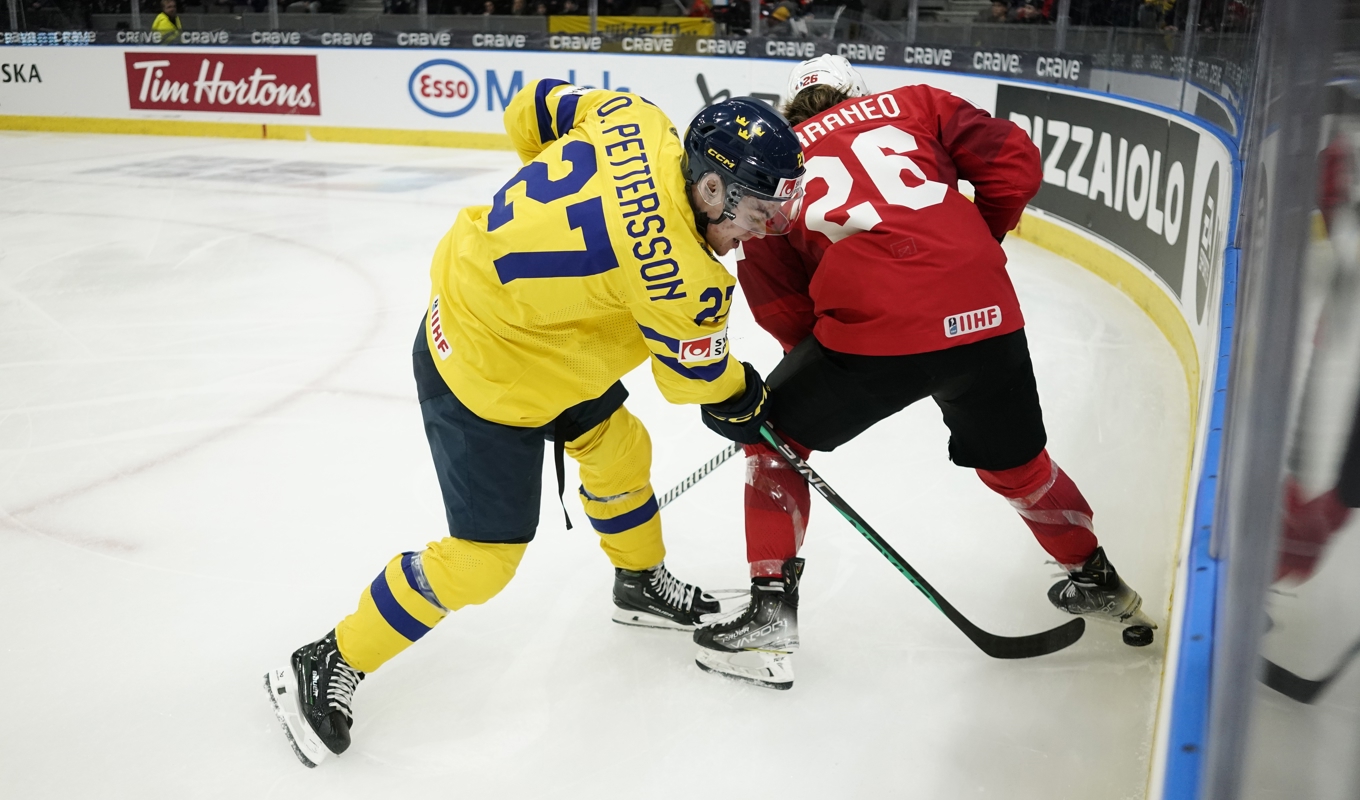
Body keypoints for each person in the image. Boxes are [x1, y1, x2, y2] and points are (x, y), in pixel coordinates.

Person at [264, 80, 804, 765]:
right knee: (484, 562)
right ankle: (328, 656)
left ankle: (637, 582)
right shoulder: (685, 278)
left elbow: (529, 110)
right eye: (757, 211)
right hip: (489, 373)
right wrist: (744, 396)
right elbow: (693, 382)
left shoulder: (632, 115)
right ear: (710, 192)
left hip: (512, 317)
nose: (763, 229)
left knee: (618, 446)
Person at [691, 55, 1156, 689]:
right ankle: (1097, 580)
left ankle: (771, 615)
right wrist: (971, 252)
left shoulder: (774, 166)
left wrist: (823, 368)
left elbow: (779, 300)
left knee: (770, 443)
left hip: (873, 332)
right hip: (988, 312)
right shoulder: (916, 103)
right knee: (1018, 465)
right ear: (856, 91)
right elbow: (1015, 161)